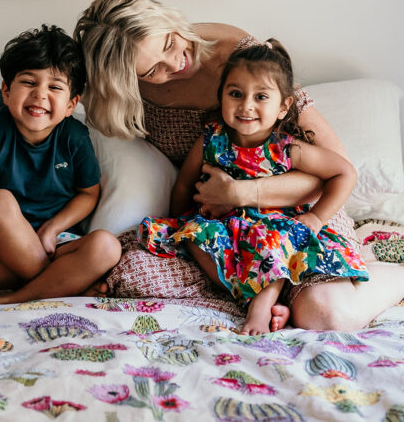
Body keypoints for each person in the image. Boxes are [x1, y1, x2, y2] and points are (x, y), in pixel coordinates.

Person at [74, 0, 404, 330]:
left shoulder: (242, 59)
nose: (177, 62)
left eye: (171, 41)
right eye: (152, 70)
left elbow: (335, 167)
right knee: (128, 276)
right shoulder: (127, 93)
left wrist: (241, 192)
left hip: (299, 211)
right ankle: (263, 298)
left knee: (324, 314)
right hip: (218, 229)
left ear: (170, 21)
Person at [138, 40, 368, 334]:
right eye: (235, 94)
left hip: (274, 228)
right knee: (193, 236)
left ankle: (260, 307)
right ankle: (251, 295)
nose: (246, 106)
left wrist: (316, 218)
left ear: (284, 107)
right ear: (221, 96)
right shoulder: (212, 139)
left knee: (272, 243)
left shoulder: (286, 148)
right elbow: (184, 183)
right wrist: (179, 219)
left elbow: (344, 172)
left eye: (261, 97)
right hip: (226, 227)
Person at [0, 25, 122, 306]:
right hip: (0, 260)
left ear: (71, 104)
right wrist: (12, 227)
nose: (40, 94)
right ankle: (62, 287)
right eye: (29, 82)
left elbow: (88, 194)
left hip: (55, 245)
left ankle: (14, 300)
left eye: (54, 87)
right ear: (6, 92)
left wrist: (51, 229)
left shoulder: (75, 137)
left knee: (107, 245)